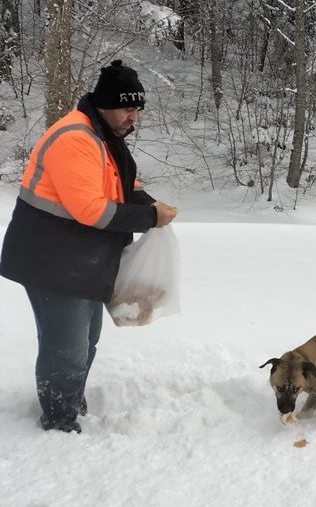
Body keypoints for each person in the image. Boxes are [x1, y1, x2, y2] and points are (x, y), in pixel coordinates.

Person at [0, 60, 178, 434]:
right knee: (65, 349)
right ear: (106, 104)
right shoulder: (75, 140)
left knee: (86, 339)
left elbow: (123, 183)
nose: (135, 117)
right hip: (51, 261)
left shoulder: (104, 137)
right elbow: (91, 211)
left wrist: (149, 205)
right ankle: (59, 421)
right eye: (129, 108)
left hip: (79, 261)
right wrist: (149, 219)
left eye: (138, 109)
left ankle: (70, 401)